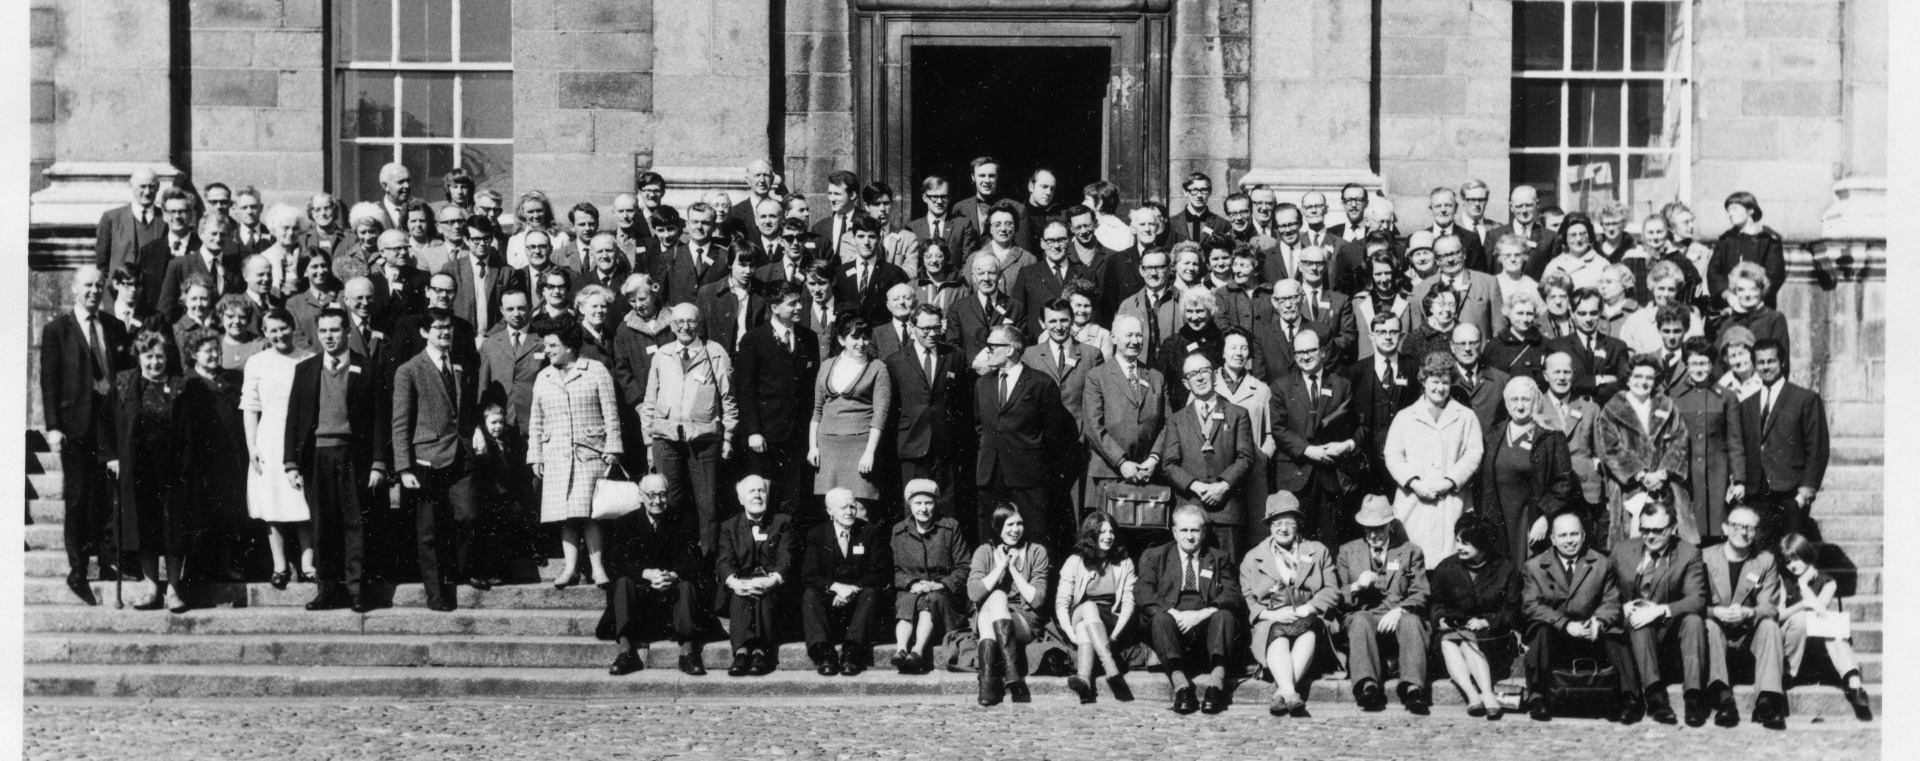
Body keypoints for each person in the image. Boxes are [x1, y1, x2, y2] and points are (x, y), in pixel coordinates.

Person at [281, 309, 390, 613]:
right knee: (322, 525)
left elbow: (380, 419)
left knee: (356, 523)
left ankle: (356, 591)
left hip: (353, 455)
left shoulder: (367, 368)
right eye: (324, 331)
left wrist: (379, 462)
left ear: (347, 332)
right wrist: (291, 462)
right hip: (317, 457)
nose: (329, 337)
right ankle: (327, 590)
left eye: (335, 330)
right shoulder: (306, 370)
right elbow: (293, 418)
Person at [42, 265, 131, 603]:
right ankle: (78, 567)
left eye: (99, 285)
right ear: (74, 289)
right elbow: (48, 380)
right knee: (79, 496)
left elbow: (124, 376)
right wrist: (53, 426)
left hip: (110, 423)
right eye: (88, 286)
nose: (94, 291)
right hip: (75, 424)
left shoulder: (114, 326)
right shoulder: (57, 330)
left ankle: (109, 560)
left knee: (110, 494)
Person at [390, 308, 485, 611]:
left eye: (448, 327)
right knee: (428, 530)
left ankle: (459, 570)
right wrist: (404, 467)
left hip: (461, 453)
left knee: (467, 515)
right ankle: (435, 592)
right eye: (438, 328)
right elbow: (401, 422)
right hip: (427, 457)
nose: (445, 333)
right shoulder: (409, 370)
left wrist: (476, 432)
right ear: (424, 332)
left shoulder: (459, 364)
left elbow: (467, 409)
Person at [527, 314, 624, 588]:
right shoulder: (543, 377)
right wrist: (536, 456)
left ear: (569, 346)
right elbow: (537, 419)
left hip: (590, 454)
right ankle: (570, 569)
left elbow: (611, 413)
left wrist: (613, 448)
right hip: (556, 455)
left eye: (552, 346)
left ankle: (597, 568)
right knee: (566, 515)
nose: (547, 351)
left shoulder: (595, 370)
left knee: (592, 514)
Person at [1520, 508, 1640, 723]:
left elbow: (1611, 600)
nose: (1569, 541)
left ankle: (1627, 698)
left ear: (1583, 536)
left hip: (1590, 631)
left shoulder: (1602, 562)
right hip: (1557, 633)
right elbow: (1531, 605)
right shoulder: (1534, 566)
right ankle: (1537, 697)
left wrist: (1599, 620)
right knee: (1538, 629)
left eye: (1574, 534)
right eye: (1563, 535)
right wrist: (1565, 625)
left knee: (1615, 631)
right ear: (1553, 539)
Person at [102, 331, 190, 611]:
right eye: (149, 356)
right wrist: (112, 457)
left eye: (160, 356)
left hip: (174, 470)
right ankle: (153, 589)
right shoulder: (125, 383)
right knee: (146, 529)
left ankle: (174, 591)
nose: (155, 362)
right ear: (138, 357)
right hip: (139, 469)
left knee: (175, 530)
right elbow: (104, 422)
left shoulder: (180, 386)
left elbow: (191, 432)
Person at [643, 303, 738, 555]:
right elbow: (650, 400)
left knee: (708, 505)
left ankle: (708, 561)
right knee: (668, 502)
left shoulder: (714, 352)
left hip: (705, 440)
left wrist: (728, 437)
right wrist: (647, 442)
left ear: (700, 324)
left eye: (691, 322)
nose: (685, 327)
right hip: (665, 439)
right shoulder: (662, 355)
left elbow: (728, 399)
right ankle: (671, 559)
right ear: (671, 326)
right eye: (679, 322)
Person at [1612, 495, 1712, 726]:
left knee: (1694, 621)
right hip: (1635, 634)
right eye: (1645, 530)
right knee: (1639, 620)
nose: (1651, 536)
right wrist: (1621, 606)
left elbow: (1696, 599)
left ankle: (1693, 699)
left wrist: (1659, 611)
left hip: (1670, 634)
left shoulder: (1689, 553)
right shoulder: (1622, 550)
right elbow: (1604, 591)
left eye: (1658, 530)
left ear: (1673, 527)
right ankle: (1656, 697)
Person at [1135, 504, 1243, 715]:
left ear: (1203, 532)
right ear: (1175, 532)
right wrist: (1173, 613)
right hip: (1170, 625)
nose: (1189, 536)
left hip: (1205, 625)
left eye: (1195, 530)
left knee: (1225, 615)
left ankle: (1215, 687)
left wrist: (1203, 613)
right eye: (1184, 530)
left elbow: (1233, 593)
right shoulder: (1155, 556)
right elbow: (1142, 592)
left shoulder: (1219, 558)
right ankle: (1182, 688)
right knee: (1159, 618)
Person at [1333, 495, 1433, 713]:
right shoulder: (1348, 552)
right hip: (1363, 616)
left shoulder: (1409, 551)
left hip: (1398, 614)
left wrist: (1400, 610)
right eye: (1368, 529)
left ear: (1390, 525)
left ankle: (1413, 689)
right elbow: (1335, 595)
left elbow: (1421, 591)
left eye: (1379, 528)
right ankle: (1368, 688)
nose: (1374, 534)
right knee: (1359, 620)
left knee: (1412, 623)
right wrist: (1356, 586)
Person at [1384, 352, 1484, 568]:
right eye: (1435, 381)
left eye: (1446, 382)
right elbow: (1392, 455)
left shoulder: (1466, 416)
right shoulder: (1405, 417)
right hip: (1414, 502)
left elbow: (1474, 453)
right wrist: (1415, 483)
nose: (1440, 388)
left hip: (1452, 502)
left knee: (1450, 563)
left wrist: (1449, 482)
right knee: (1413, 563)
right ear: (1423, 380)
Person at [1240, 493, 1336, 717]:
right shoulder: (1253, 558)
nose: (1283, 528)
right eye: (1277, 522)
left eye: (1289, 522)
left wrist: (1308, 608)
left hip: (1311, 617)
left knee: (1309, 630)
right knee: (1277, 634)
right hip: (1270, 622)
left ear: (1298, 524)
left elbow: (1332, 590)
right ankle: (1291, 694)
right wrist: (1270, 615)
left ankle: (1282, 693)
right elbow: (1248, 600)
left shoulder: (1317, 551)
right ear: (1269, 526)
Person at [735, 280, 823, 519]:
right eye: (792, 304)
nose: (799, 308)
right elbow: (745, 390)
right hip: (765, 436)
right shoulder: (753, 340)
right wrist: (753, 431)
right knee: (765, 498)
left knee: (794, 500)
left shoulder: (809, 338)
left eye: (799, 302)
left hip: (798, 436)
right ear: (774, 307)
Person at [606, 474, 708, 676]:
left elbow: (694, 561)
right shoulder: (625, 523)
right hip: (640, 596)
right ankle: (626, 650)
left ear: (669, 496)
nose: (657, 501)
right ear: (640, 496)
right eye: (651, 495)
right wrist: (646, 573)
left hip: (671, 597)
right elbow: (615, 562)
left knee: (686, 586)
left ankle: (687, 651)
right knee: (622, 582)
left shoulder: (684, 521)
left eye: (662, 495)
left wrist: (672, 575)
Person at [241, 308, 314, 589]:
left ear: (292, 327)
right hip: (269, 438)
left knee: (302, 500)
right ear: (264, 333)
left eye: (284, 328)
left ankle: (308, 564)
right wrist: (252, 446)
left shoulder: (308, 359)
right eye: (273, 330)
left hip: (301, 438)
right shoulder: (257, 362)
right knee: (272, 501)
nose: (279, 334)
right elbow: (250, 407)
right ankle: (280, 565)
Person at [973, 324, 1067, 543]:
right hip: (990, 474)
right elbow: (980, 426)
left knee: (1033, 533)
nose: (986, 351)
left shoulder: (1040, 383)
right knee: (990, 534)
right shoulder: (982, 384)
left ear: (1009, 350)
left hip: (1028, 474)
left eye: (992, 345)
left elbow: (1054, 432)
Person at [1158, 351, 1255, 555]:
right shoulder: (1176, 420)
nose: (1200, 377)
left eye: (1204, 371)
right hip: (1190, 512)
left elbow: (1245, 458)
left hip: (1227, 510)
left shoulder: (1238, 414)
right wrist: (1197, 486)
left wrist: (1223, 485)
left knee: (1228, 574)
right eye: (1193, 374)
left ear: (1214, 375)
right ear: (1186, 383)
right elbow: (1169, 464)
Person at [1271, 328, 1361, 548]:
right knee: (1295, 538)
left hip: (1331, 475)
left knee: (1331, 539)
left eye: (1311, 350)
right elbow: (1278, 428)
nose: (1305, 356)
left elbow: (1358, 426)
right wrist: (1307, 450)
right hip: (1296, 473)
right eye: (1299, 352)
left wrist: (1346, 446)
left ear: (1322, 352)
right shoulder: (1281, 387)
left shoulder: (1342, 384)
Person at [1701, 504, 1786, 728]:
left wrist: (1750, 612)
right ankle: (1723, 699)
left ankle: (1767, 701)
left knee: (1769, 626)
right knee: (1709, 625)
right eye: (1737, 526)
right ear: (1725, 528)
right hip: (1716, 638)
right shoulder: (1705, 558)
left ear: (1756, 532)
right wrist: (1715, 611)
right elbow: (1695, 602)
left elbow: (1770, 607)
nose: (1743, 532)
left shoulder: (1765, 560)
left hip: (1747, 639)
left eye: (1750, 527)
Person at [1597, 355, 1695, 549]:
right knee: (1631, 544)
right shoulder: (1611, 410)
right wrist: (1640, 474)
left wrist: (1663, 472)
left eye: (1649, 378)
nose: (1643, 382)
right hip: (1629, 488)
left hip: (1664, 486)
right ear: (1628, 379)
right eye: (1638, 376)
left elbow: (1680, 440)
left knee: (1668, 540)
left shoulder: (1667, 406)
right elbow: (1610, 448)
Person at [1474, 376, 1576, 563]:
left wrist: (1545, 517)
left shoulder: (1550, 436)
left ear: (1535, 401)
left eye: (1525, 400)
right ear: (1506, 402)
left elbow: (1564, 483)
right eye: (1514, 399)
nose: (1520, 406)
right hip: (1498, 517)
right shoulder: (1494, 435)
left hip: (1530, 519)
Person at [1430, 513, 1522, 719]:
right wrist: (1441, 618)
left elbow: (1514, 610)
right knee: (1448, 642)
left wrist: (1488, 620)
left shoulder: (1506, 570)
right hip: (1452, 633)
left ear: (1484, 544)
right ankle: (1475, 696)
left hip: (1492, 638)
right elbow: (1436, 602)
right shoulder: (1446, 567)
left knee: (1464, 642)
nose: (1459, 547)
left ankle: (1486, 695)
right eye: (1457, 541)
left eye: (1466, 543)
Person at [885, 304, 968, 528]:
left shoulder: (956, 357)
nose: (932, 334)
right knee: (912, 504)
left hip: (946, 444)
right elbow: (892, 409)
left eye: (936, 328)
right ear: (912, 327)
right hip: (912, 443)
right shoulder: (895, 361)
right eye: (925, 329)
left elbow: (963, 402)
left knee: (947, 505)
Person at [1739, 339, 1829, 548]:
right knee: (1761, 552)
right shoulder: (1746, 404)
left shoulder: (1805, 399)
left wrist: (1808, 486)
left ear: (1782, 362)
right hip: (1757, 492)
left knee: (1790, 552)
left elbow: (1817, 447)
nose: (1766, 367)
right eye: (1760, 362)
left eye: (1771, 361)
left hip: (1791, 491)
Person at [1777, 532, 1873, 721]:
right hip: (1790, 640)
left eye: (1796, 559)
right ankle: (1788, 674)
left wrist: (1804, 586)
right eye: (1788, 561)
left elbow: (1820, 609)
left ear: (1806, 555)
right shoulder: (1783, 580)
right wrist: (1801, 604)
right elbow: (1779, 615)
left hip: (1815, 643)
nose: (1792, 565)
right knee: (1802, 618)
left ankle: (1854, 684)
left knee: (1834, 633)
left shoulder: (1828, 582)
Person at [800, 488, 893, 676]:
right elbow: (809, 574)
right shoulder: (816, 535)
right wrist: (835, 588)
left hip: (859, 605)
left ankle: (852, 653)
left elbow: (878, 571)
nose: (849, 512)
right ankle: (824, 653)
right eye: (843, 507)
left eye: (852, 506)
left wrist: (851, 590)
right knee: (810, 594)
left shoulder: (870, 531)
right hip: (829, 603)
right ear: (830, 511)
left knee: (871, 592)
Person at [809, 315, 894, 520]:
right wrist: (813, 447)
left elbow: (880, 415)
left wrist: (869, 452)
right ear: (841, 340)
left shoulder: (878, 368)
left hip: (859, 446)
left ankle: (858, 552)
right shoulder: (827, 366)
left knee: (859, 508)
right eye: (855, 337)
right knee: (832, 508)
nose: (861, 343)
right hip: (828, 447)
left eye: (866, 337)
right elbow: (817, 411)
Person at [968, 503, 1051, 706]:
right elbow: (974, 593)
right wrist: (1001, 567)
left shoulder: (1036, 552)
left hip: (1024, 618)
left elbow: (1037, 600)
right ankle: (1009, 672)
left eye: (1019, 524)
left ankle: (987, 684)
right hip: (990, 613)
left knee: (997, 601)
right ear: (998, 527)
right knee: (997, 597)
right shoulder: (984, 552)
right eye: (1009, 525)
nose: (1015, 530)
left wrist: (1013, 570)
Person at [715, 475, 797, 677]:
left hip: (773, 588)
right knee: (742, 591)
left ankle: (760, 652)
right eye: (752, 491)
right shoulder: (729, 527)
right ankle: (742, 653)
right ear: (741, 498)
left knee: (762, 592)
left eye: (761, 490)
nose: (757, 495)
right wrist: (735, 583)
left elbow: (786, 558)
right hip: (740, 587)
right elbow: (724, 561)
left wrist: (772, 580)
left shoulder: (782, 522)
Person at [888, 480, 970, 675]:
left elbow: (964, 567)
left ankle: (917, 651)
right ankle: (901, 649)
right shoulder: (899, 531)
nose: (923, 509)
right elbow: (894, 569)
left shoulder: (950, 528)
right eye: (918, 503)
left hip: (943, 596)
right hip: (912, 591)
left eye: (928, 503)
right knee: (907, 600)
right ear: (909, 505)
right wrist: (911, 583)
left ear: (936, 504)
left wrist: (939, 585)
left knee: (930, 600)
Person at [1056, 510, 1138, 704]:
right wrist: (1070, 634)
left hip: (1110, 620)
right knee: (1089, 607)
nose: (1108, 536)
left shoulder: (1124, 563)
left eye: (1111, 532)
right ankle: (1111, 669)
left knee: (1087, 625)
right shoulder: (1074, 561)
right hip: (1078, 614)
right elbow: (1061, 603)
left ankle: (1084, 679)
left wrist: (1115, 635)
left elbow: (1128, 602)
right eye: (1102, 532)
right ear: (1091, 535)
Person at [1672, 337, 1748, 538]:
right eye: (1694, 363)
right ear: (1686, 364)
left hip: (1718, 473)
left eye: (1704, 363)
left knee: (1717, 529)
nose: (1699, 369)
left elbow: (1735, 440)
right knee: (1689, 530)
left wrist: (1738, 479)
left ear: (1712, 364)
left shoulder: (1726, 396)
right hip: (1685, 475)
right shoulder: (1673, 396)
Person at [1544, 287, 1631, 403]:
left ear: (1600, 312)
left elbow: (1624, 382)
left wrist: (1582, 384)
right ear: (1572, 313)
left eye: (1593, 313)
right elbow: (1554, 381)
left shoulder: (1618, 347)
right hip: (1571, 410)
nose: (1588, 319)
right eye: (1582, 313)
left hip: (1607, 411)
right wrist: (1598, 380)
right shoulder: (1556, 347)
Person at [1707, 191, 1786, 312]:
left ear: (1750, 210)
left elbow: (1774, 275)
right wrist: (1729, 296)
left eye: (1734, 208)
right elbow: (1714, 272)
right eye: (1728, 210)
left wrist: (1751, 299)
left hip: (1760, 308)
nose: (1730, 214)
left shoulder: (1768, 239)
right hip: (1729, 307)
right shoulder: (1726, 240)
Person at [1716, 261, 1791, 351]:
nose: (1747, 295)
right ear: (1735, 292)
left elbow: (1781, 360)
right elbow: (1718, 361)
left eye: (1753, 289)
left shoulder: (1775, 319)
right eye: (1741, 290)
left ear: (1762, 290)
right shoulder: (1728, 323)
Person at [1486, 290, 1548, 383]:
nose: (1525, 319)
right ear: (1508, 314)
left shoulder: (1545, 344)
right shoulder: (1494, 346)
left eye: (1529, 314)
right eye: (1519, 313)